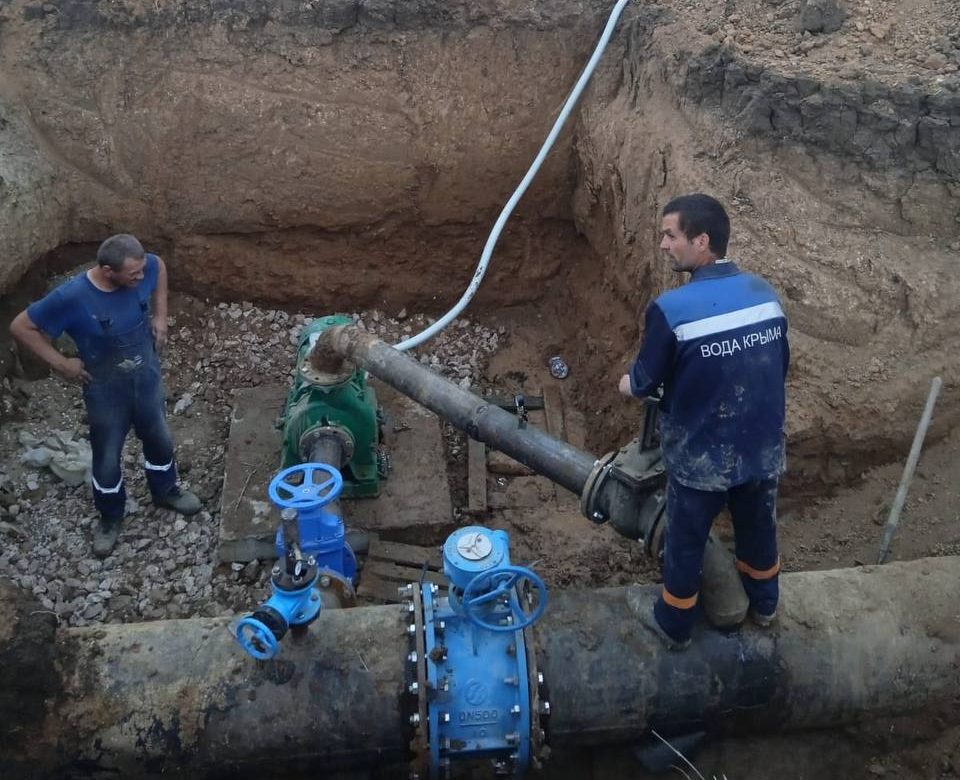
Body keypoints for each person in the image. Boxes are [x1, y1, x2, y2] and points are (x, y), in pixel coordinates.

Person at [618, 194, 789, 650]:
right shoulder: (765, 295)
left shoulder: (671, 311)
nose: (662, 245)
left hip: (702, 453)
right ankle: (766, 605)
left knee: (686, 538)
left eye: (670, 235)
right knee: (758, 527)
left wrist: (626, 386)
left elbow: (644, 381)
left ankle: (675, 624)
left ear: (702, 241)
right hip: (761, 445)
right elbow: (778, 366)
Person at [10, 234, 200, 558]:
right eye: (134, 274)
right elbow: (20, 326)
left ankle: (165, 490)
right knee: (107, 457)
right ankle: (111, 515)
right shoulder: (72, 297)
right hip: (105, 389)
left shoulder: (145, 266)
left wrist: (160, 315)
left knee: (159, 437)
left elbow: (159, 266)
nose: (141, 277)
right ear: (108, 270)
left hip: (146, 376)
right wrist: (60, 363)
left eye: (141, 271)